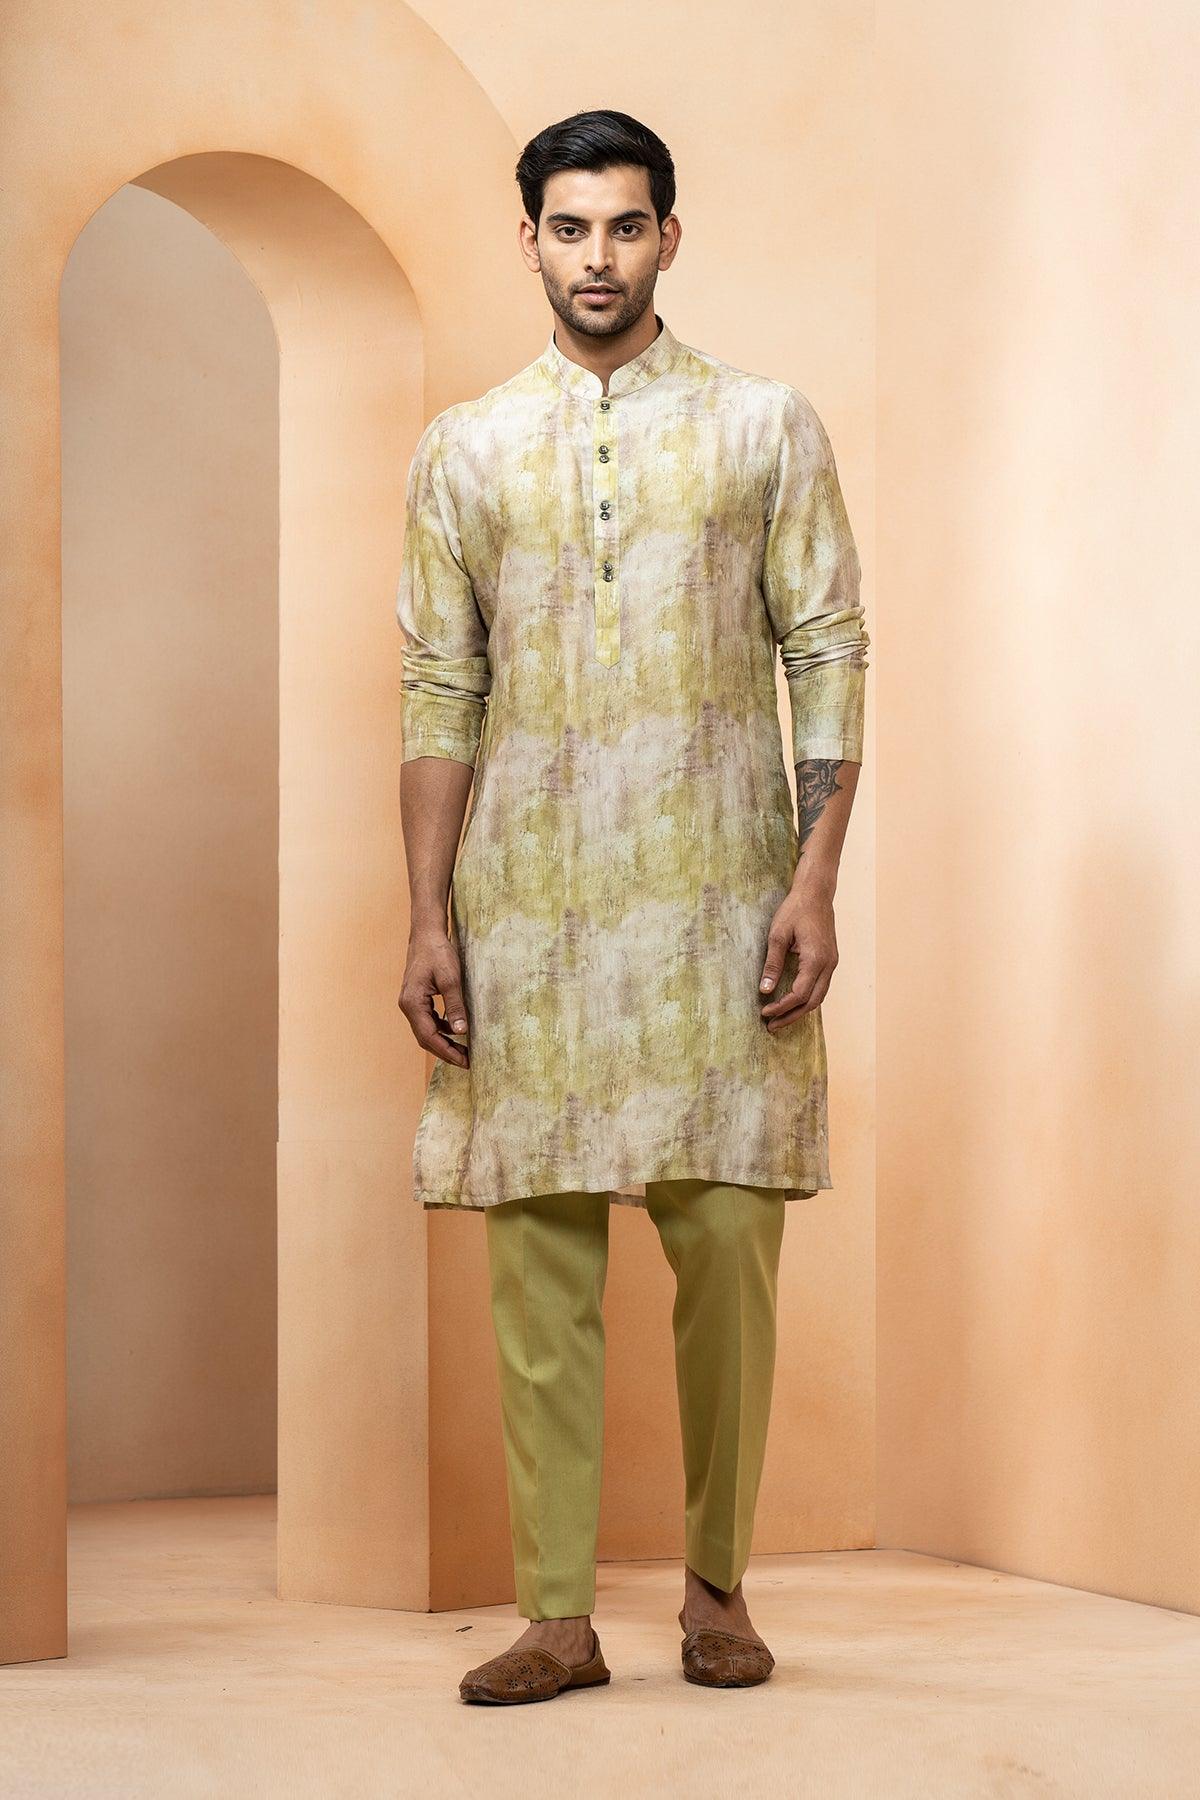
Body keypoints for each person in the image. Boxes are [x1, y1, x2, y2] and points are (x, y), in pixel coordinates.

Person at [396, 109, 869, 1704]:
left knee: (729, 1249)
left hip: (719, 900)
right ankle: (555, 1615)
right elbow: (440, 685)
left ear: (670, 235)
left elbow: (827, 646)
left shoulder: (761, 425)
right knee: (537, 1268)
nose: (597, 256)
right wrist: (428, 917)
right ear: (527, 238)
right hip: (526, 907)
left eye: (625, 225)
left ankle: (719, 1588)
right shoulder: (465, 447)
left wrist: (814, 878)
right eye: (569, 226)